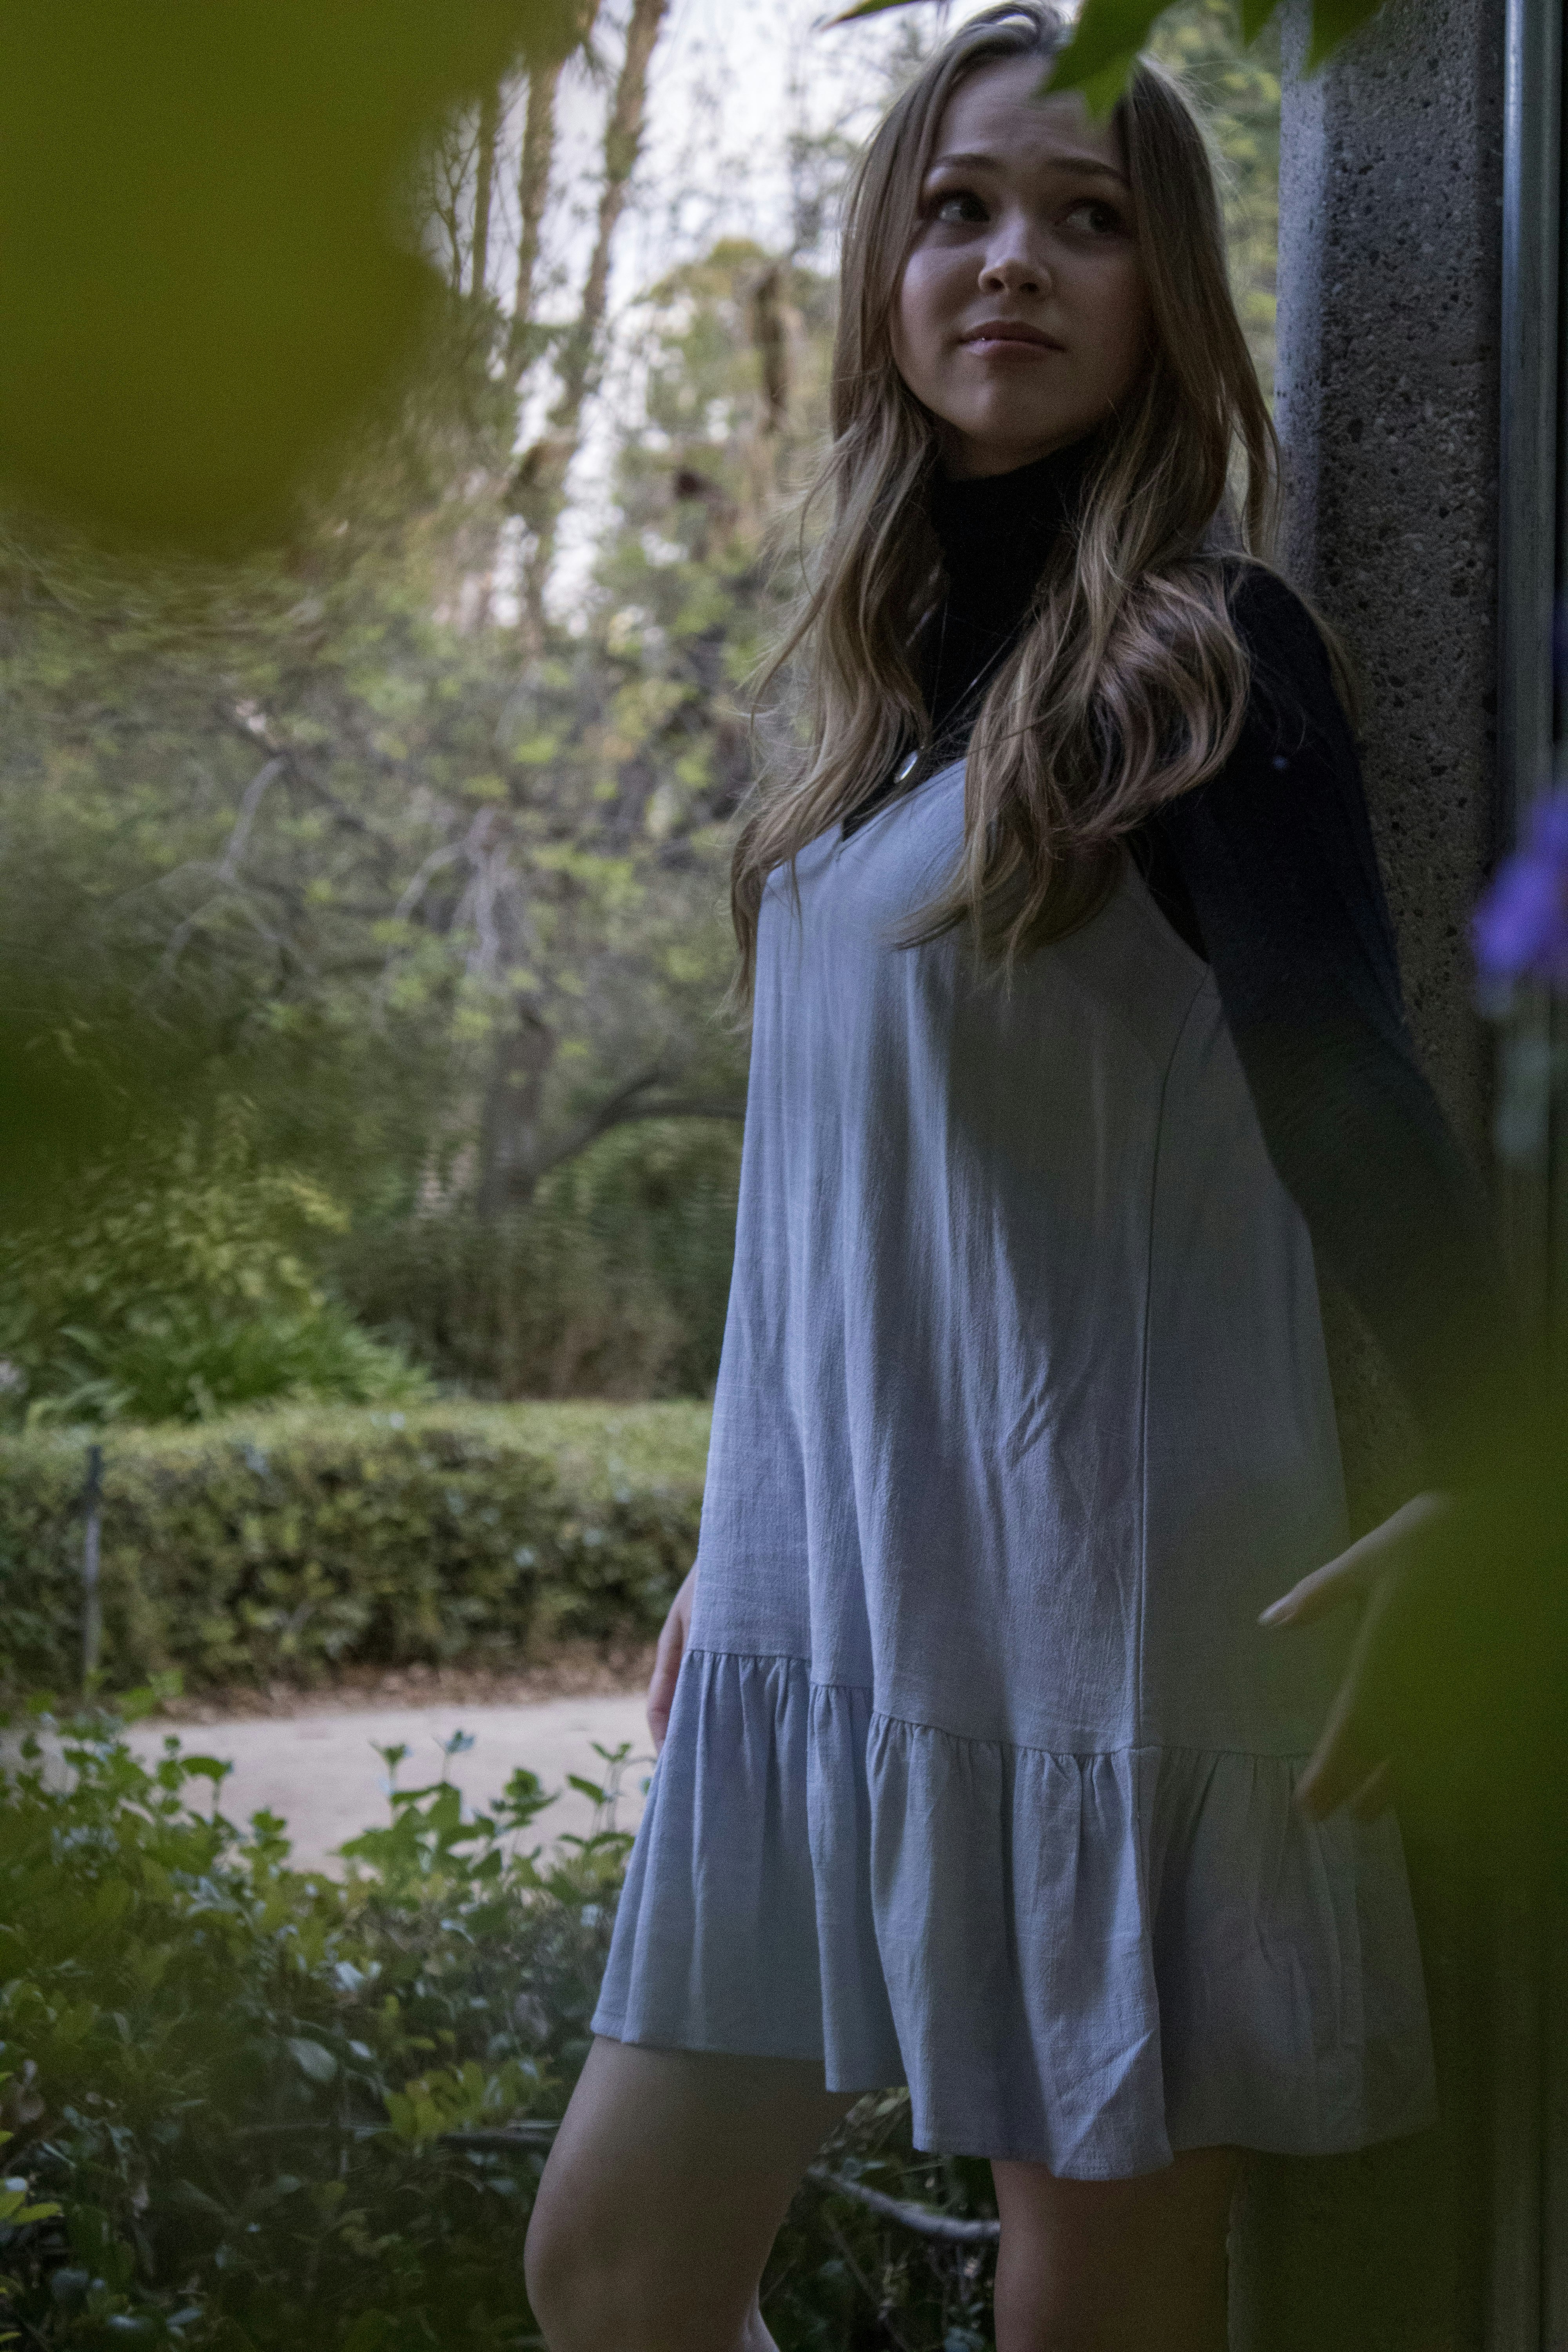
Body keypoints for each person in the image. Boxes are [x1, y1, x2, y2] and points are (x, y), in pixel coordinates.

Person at [523, 8, 1515, 2348]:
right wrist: (749, 1529)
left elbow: (1347, 1083)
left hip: (1117, 1606)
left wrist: (1502, 1472)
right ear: (886, 268)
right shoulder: (861, 733)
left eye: (1090, 221)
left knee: (1091, 2301)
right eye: (959, 210)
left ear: (1170, 292)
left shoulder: (1203, 659)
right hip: (827, 1603)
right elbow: (845, 1206)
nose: (1012, 263)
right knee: (616, 2263)